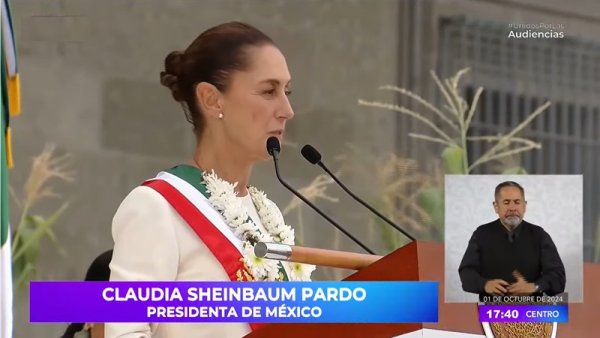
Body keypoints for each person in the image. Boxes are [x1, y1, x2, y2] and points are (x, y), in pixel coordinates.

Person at [106, 21, 315, 338]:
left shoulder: (267, 214)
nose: (287, 110)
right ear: (212, 99)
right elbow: (126, 332)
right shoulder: (156, 208)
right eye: (269, 91)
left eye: (287, 91)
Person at [458, 181, 566, 301]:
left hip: (532, 312)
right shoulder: (481, 234)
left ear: (524, 206)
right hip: (492, 311)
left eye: (517, 202)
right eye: (506, 202)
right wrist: (484, 284)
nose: (512, 208)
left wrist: (534, 287)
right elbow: (466, 271)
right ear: (496, 207)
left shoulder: (539, 235)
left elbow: (558, 276)